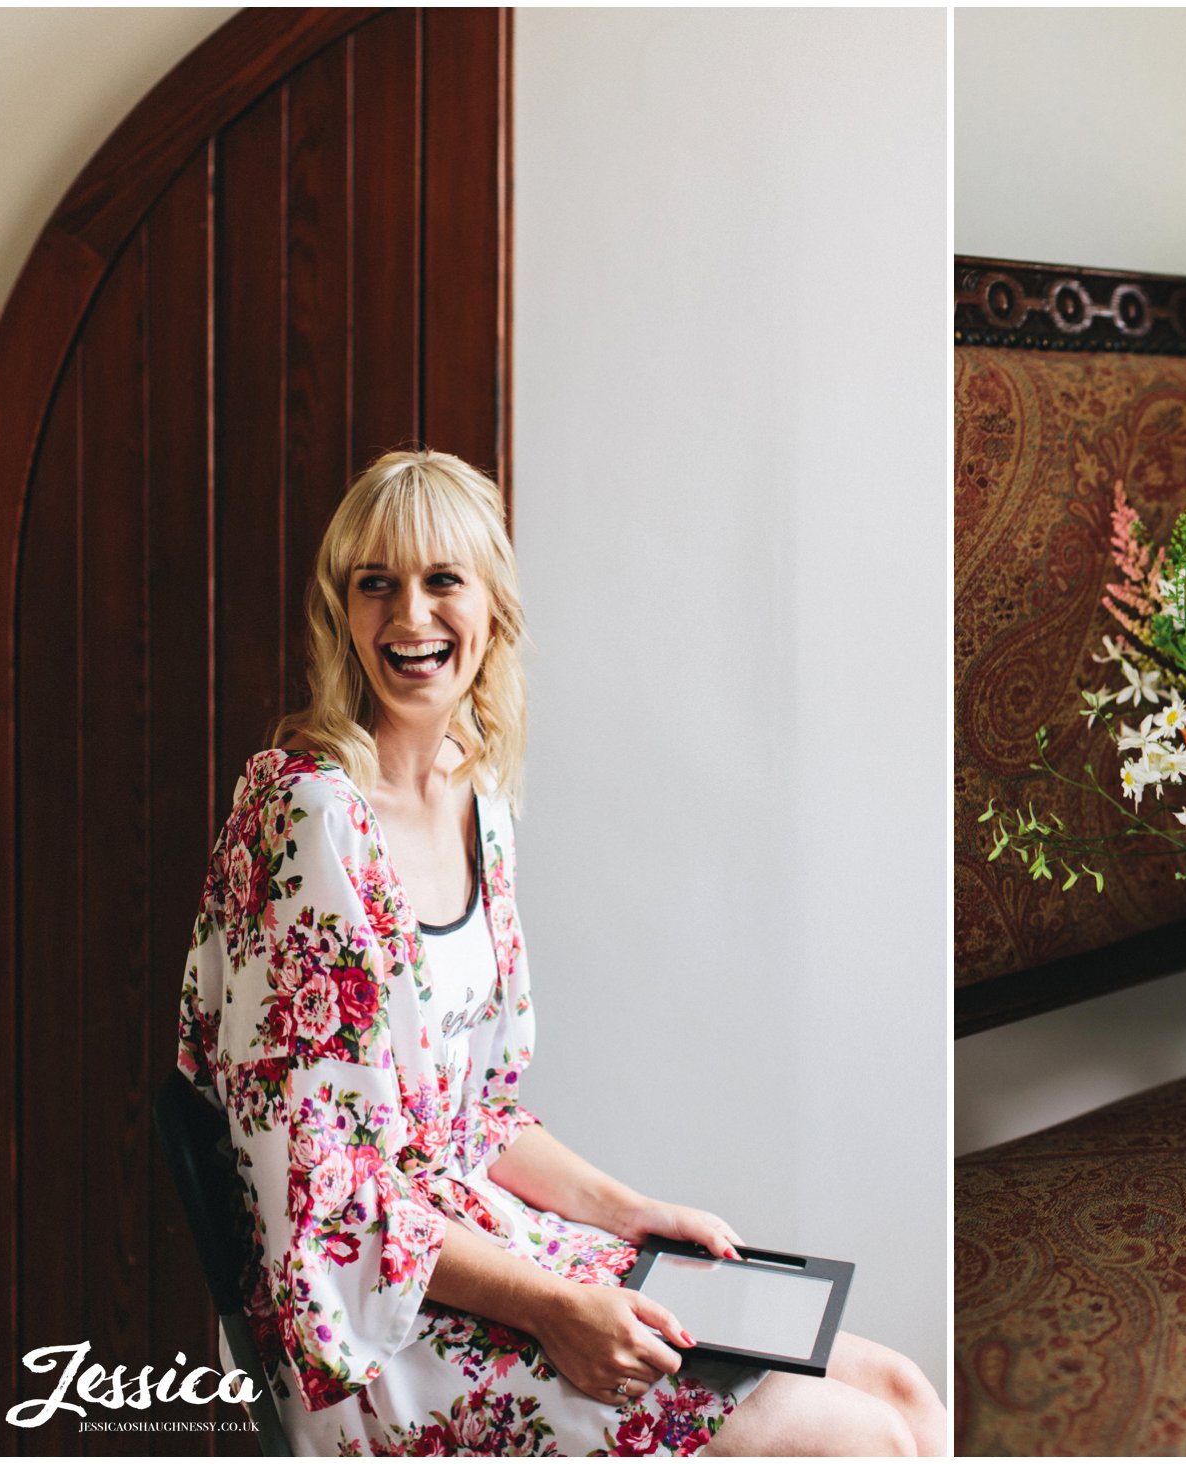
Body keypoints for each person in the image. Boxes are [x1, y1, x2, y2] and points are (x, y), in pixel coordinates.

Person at [175, 450, 945, 1456]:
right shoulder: (309, 816)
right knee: (852, 1438)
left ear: (490, 604)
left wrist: (634, 1216)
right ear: (342, 611)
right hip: (373, 1334)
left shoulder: (473, 789)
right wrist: (550, 1308)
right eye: (378, 584)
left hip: (484, 1243)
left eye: (443, 579)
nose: (411, 617)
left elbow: (476, 1115)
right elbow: (330, 1196)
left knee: (906, 1396)